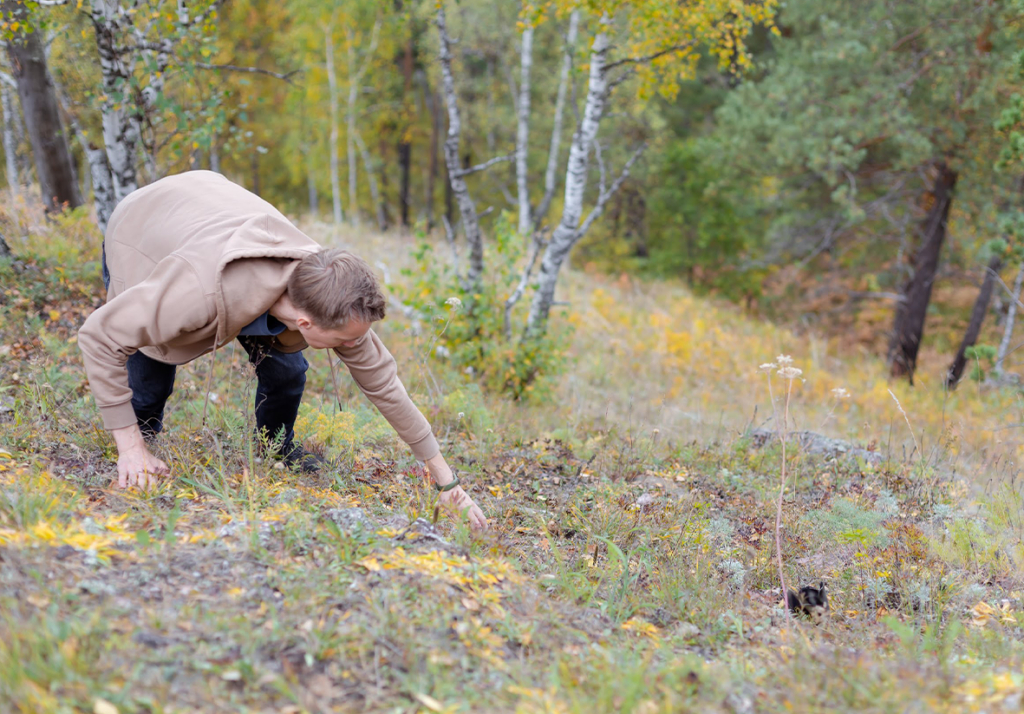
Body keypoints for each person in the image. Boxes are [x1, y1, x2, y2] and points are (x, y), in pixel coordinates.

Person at [78, 170, 486, 529]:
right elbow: (100, 336)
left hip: (211, 204)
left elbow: (385, 386)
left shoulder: (323, 291)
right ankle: (139, 440)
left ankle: (275, 447)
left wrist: (448, 483)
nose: (354, 346)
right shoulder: (195, 290)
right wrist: (131, 447)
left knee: (288, 372)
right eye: (346, 340)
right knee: (150, 377)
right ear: (306, 323)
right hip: (144, 226)